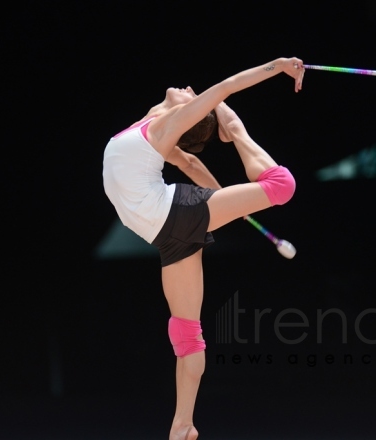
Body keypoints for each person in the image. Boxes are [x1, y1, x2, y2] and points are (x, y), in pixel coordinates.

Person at [102, 57, 305, 440]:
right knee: (187, 334)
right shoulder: (156, 132)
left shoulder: (166, 125)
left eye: (192, 97)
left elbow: (224, 87)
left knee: (283, 185)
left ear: (187, 115)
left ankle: (241, 138)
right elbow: (192, 164)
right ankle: (183, 424)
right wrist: (231, 205)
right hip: (168, 232)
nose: (188, 89)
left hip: (173, 213)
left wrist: (277, 66)